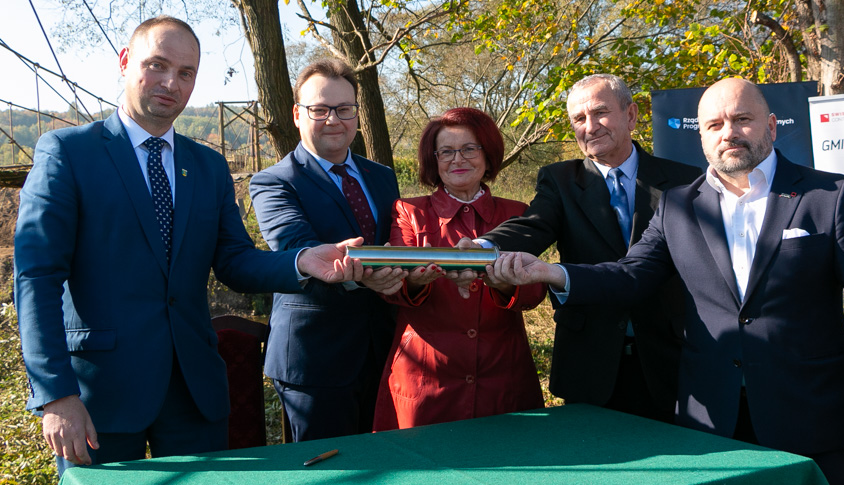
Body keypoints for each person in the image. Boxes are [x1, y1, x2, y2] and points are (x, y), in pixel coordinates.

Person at [491, 77, 844, 485]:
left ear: (770, 125)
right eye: (714, 124)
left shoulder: (831, 195)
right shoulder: (679, 205)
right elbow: (630, 276)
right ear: (701, 136)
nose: (728, 132)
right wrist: (551, 274)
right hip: (711, 423)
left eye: (742, 119)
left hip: (813, 418)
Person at [14, 16, 365, 474]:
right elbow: (37, 277)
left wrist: (301, 262)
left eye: (185, 73)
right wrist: (56, 394)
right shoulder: (67, 152)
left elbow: (235, 262)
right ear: (125, 62)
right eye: (157, 65)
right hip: (97, 395)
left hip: (194, 394)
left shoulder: (208, 166)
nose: (170, 83)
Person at [467, 74, 701, 423]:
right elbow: (533, 225)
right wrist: (483, 247)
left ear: (632, 115)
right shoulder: (560, 180)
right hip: (590, 362)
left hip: (671, 362)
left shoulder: (684, 180)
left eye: (600, 113)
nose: (590, 127)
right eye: (578, 119)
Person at [250, 59, 403, 442]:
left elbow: (399, 242)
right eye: (320, 109)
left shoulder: (381, 177)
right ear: (298, 115)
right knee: (331, 478)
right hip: (316, 360)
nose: (333, 119)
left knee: (388, 467)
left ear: (357, 114)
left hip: (385, 349)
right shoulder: (273, 182)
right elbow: (298, 248)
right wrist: (375, 276)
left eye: (344, 109)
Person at [372, 107, 545, 431]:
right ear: (433, 159)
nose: (458, 159)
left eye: (469, 148)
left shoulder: (518, 213)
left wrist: (506, 283)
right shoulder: (409, 211)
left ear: (488, 153)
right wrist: (412, 280)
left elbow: (535, 288)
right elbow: (392, 286)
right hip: (425, 377)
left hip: (504, 375)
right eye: (447, 151)